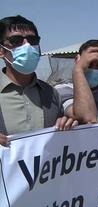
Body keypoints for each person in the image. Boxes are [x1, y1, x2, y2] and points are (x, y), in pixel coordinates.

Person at [0, 15, 76, 146]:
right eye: (16, 40)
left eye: (32, 40)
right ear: (1, 50)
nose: (27, 45)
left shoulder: (51, 94)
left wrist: (69, 124)